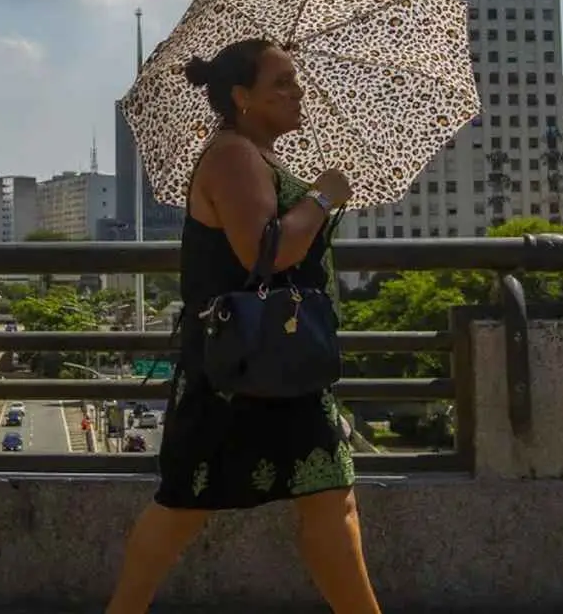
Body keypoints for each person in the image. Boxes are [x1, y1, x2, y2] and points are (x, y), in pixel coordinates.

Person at [105, 38, 382, 614]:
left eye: (295, 80)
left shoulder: (258, 154)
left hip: (278, 360)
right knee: (185, 504)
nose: (297, 92)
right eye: (281, 82)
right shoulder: (232, 154)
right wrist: (323, 198)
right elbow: (266, 251)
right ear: (241, 97)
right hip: (239, 364)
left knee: (330, 498)